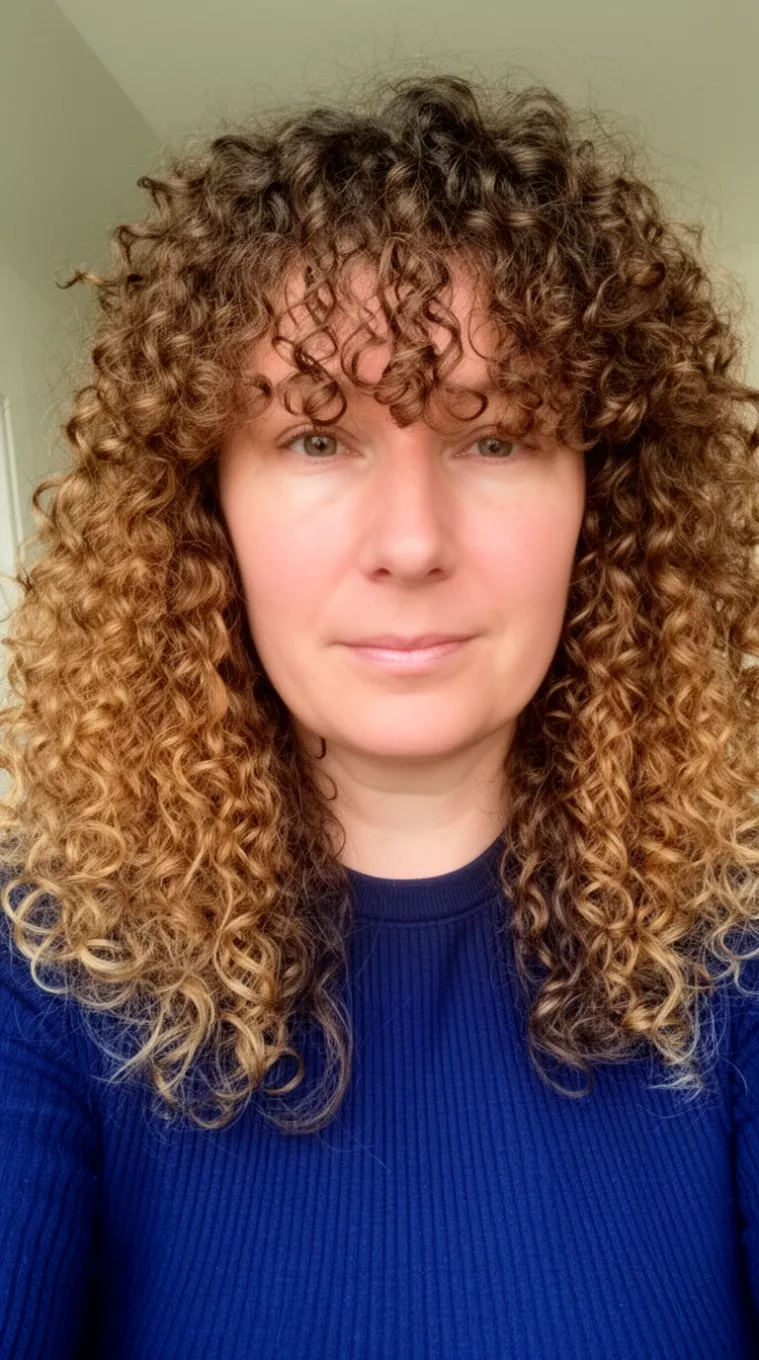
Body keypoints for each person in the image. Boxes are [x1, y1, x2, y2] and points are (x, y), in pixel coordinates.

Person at [0, 69, 758, 1359]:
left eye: (497, 434)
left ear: (606, 503)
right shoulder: (50, 973)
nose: (411, 542)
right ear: (206, 506)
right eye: (312, 437)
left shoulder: (735, 950)